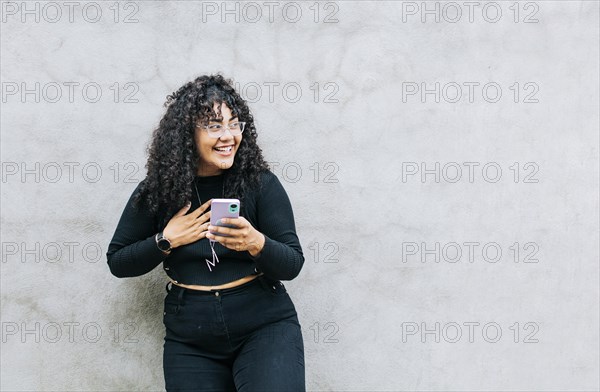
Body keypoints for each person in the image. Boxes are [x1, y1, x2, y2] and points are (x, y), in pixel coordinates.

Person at [106, 74, 306, 391]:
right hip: (190, 337)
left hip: (263, 324)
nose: (228, 136)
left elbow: (293, 264)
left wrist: (256, 242)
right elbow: (118, 261)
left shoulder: (261, 184)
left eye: (234, 124)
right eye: (214, 126)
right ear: (188, 135)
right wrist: (166, 240)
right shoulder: (159, 192)